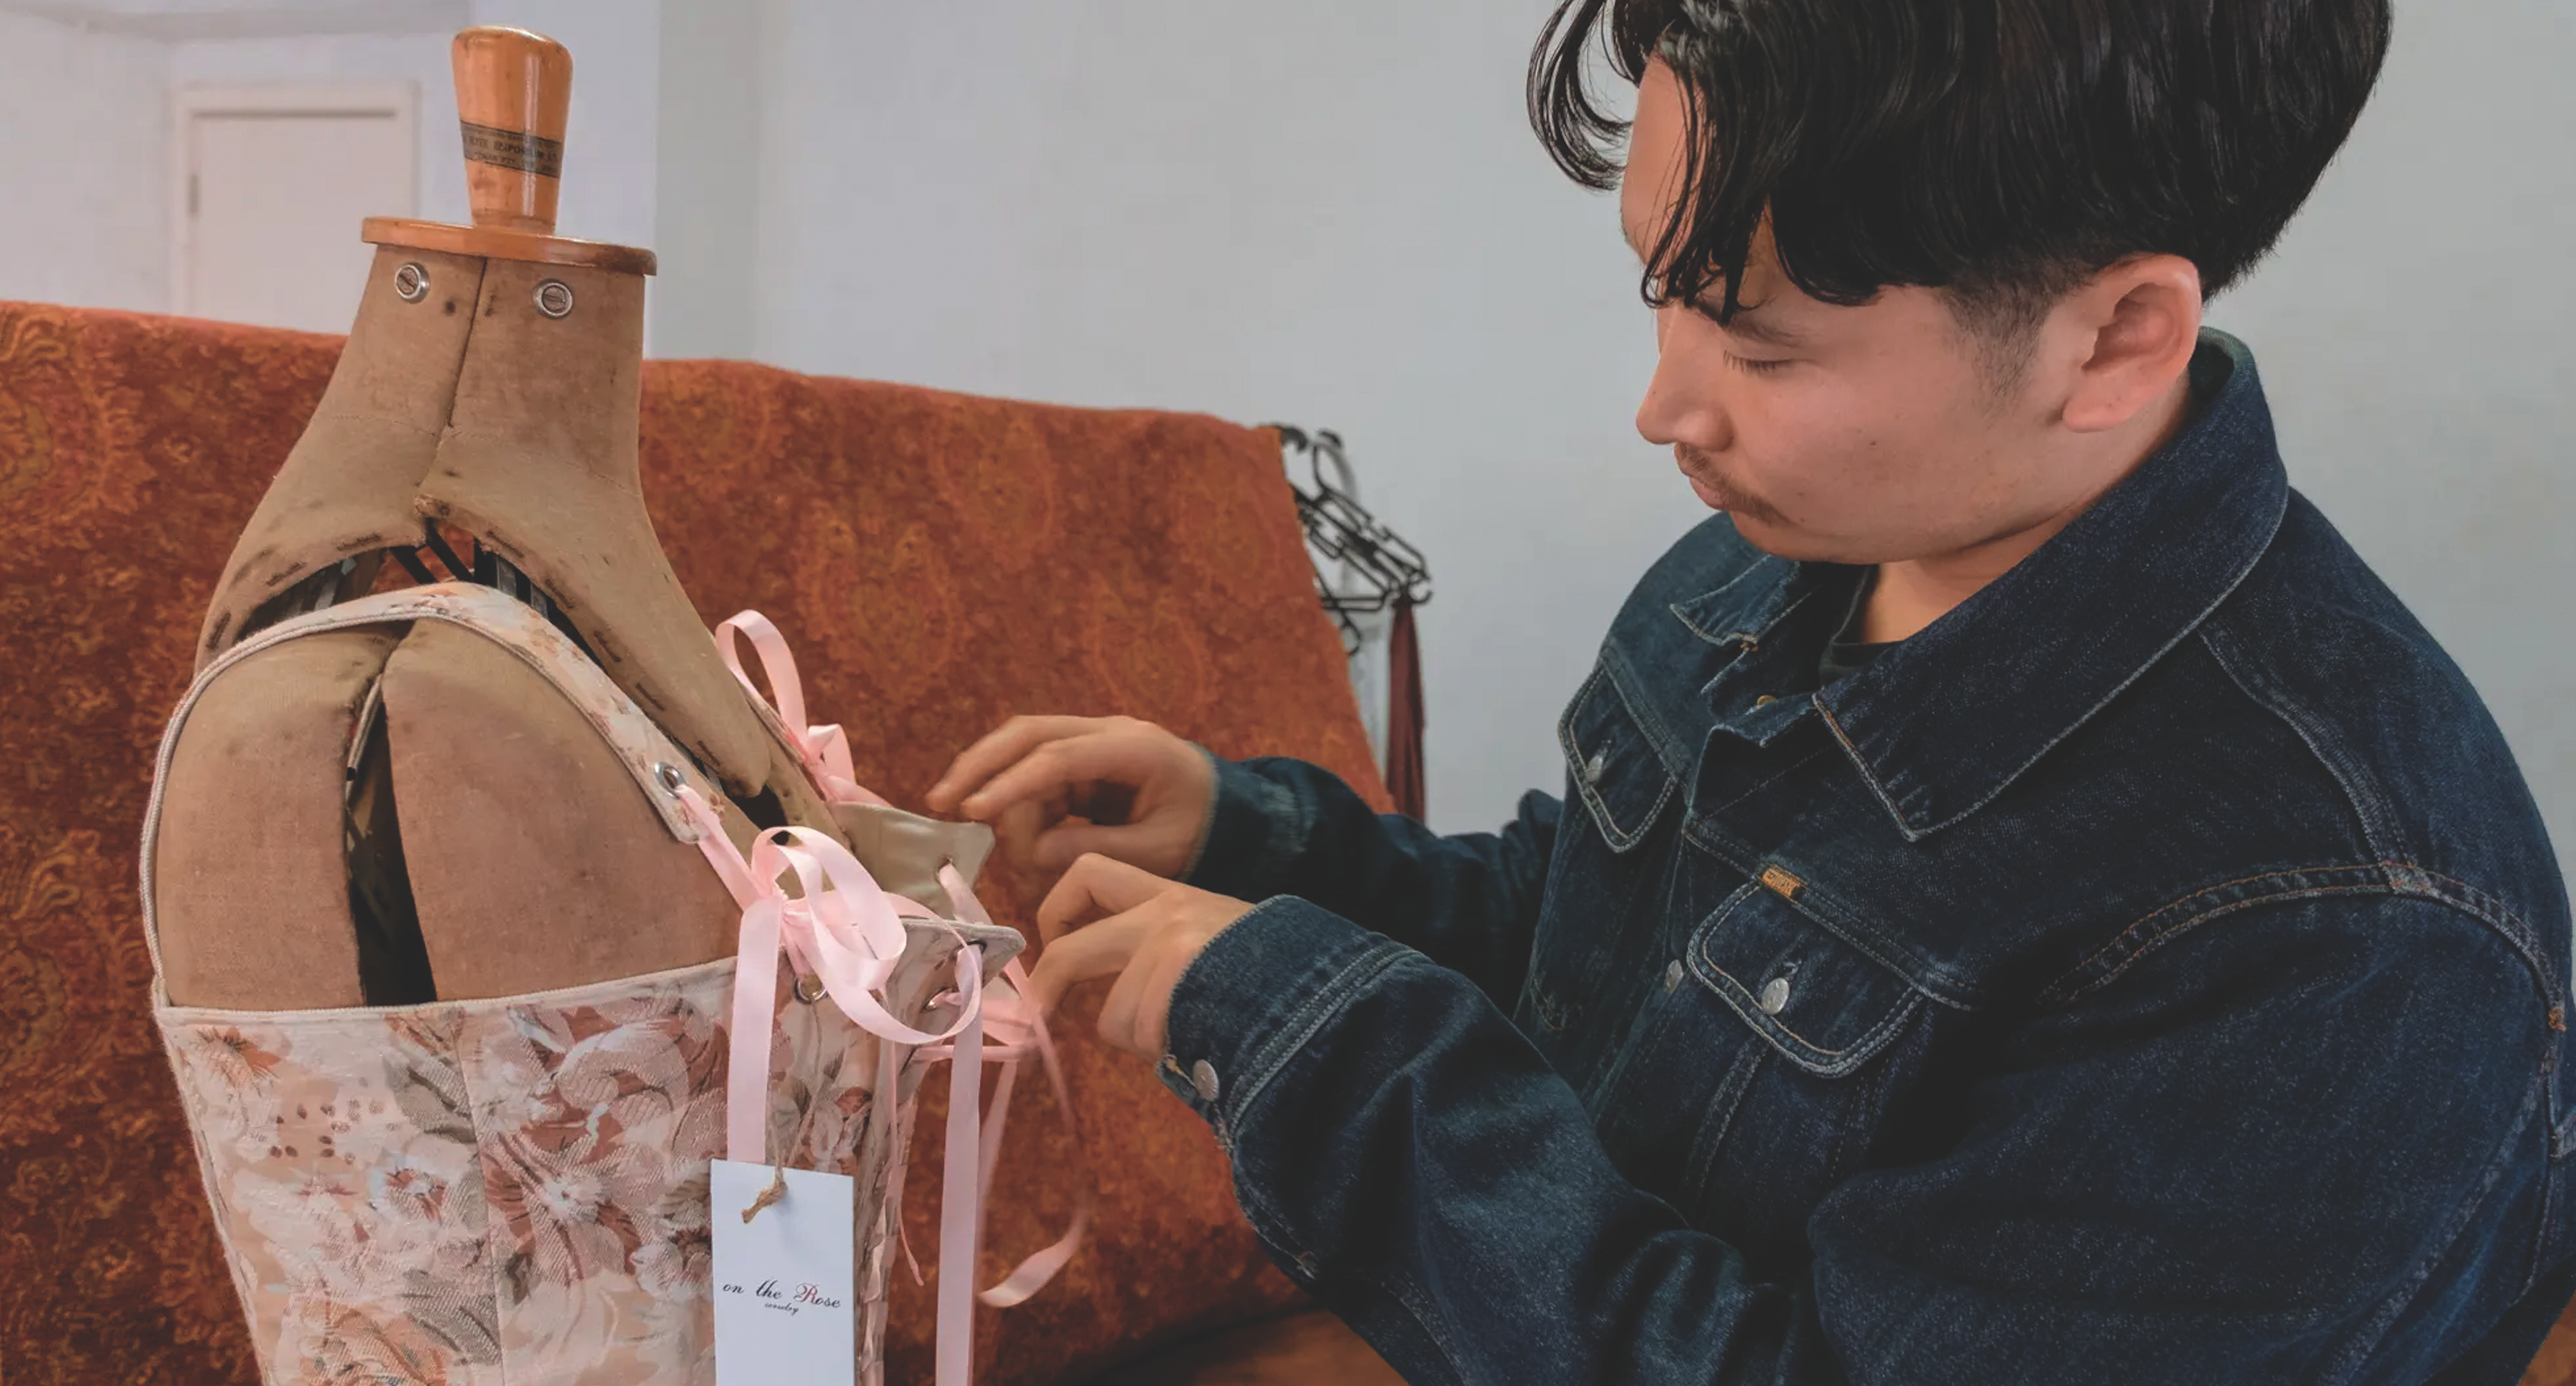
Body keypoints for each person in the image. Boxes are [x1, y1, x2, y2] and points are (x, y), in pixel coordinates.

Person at [926, 1, 2575, 1379]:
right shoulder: (1795, 549)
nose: (1665, 409)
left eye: (1759, 345)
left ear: (2112, 339)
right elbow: (1597, 953)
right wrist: (1262, 845)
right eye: (1661, 288)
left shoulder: (2334, 941)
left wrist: (1330, 1051)